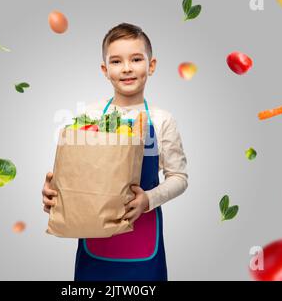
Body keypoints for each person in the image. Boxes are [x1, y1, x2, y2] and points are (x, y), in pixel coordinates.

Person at [42, 23, 188, 281]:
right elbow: (75, 174)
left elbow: (179, 177)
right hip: (95, 240)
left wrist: (148, 200)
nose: (127, 68)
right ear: (105, 70)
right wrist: (56, 192)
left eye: (136, 59)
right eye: (117, 61)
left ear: (151, 65)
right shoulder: (90, 116)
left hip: (143, 237)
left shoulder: (162, 119)